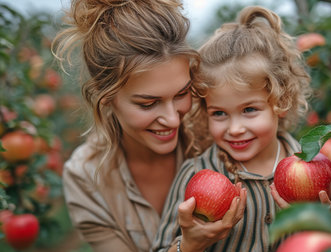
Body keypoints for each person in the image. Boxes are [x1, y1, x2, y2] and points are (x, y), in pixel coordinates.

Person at [52, 0, 245, 251]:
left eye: (181, 93)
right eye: (148, 103)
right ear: (106, 97)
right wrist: (187, 247)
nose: (173, 119)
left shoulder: (221, 136)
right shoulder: (86, 178)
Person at [153, 6, 314, 252]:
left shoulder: (310, 167)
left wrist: (327, 221)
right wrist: (189, 245)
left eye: (249, 110)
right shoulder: (195, 174)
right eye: (219, 113)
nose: (235, 129)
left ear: (281, 101)